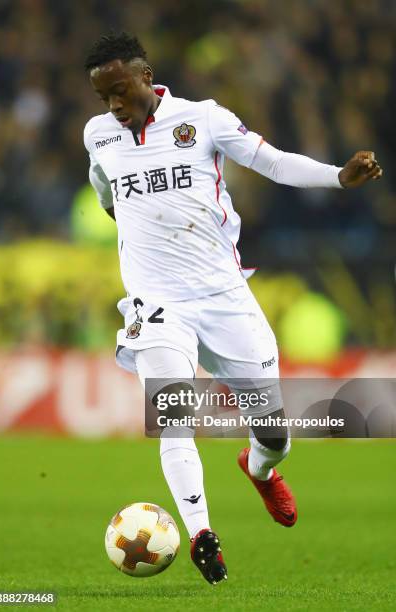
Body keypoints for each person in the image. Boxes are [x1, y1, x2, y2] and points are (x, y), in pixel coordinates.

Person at [83, 32, 383, 585]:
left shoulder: (204, 120)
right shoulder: (98, 136)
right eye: (105, 98)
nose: (114, 107)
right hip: (156, 304)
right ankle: (201, 532)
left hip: (224, 297)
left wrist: (338, 177)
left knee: (273, 433)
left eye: (121, 92)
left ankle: (260, 468)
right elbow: (107, 196)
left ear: (147, 78)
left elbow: (273, 163)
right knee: (174, 418)